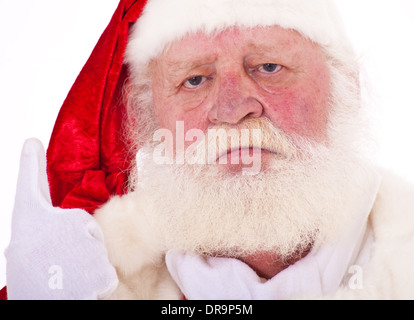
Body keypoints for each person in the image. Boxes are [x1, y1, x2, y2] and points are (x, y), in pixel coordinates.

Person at [2, 0, 414, 300]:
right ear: (147, 119)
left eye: (269, 67)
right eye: (195, 80)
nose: (232, 110)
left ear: (348, 90)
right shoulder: (98, 281)